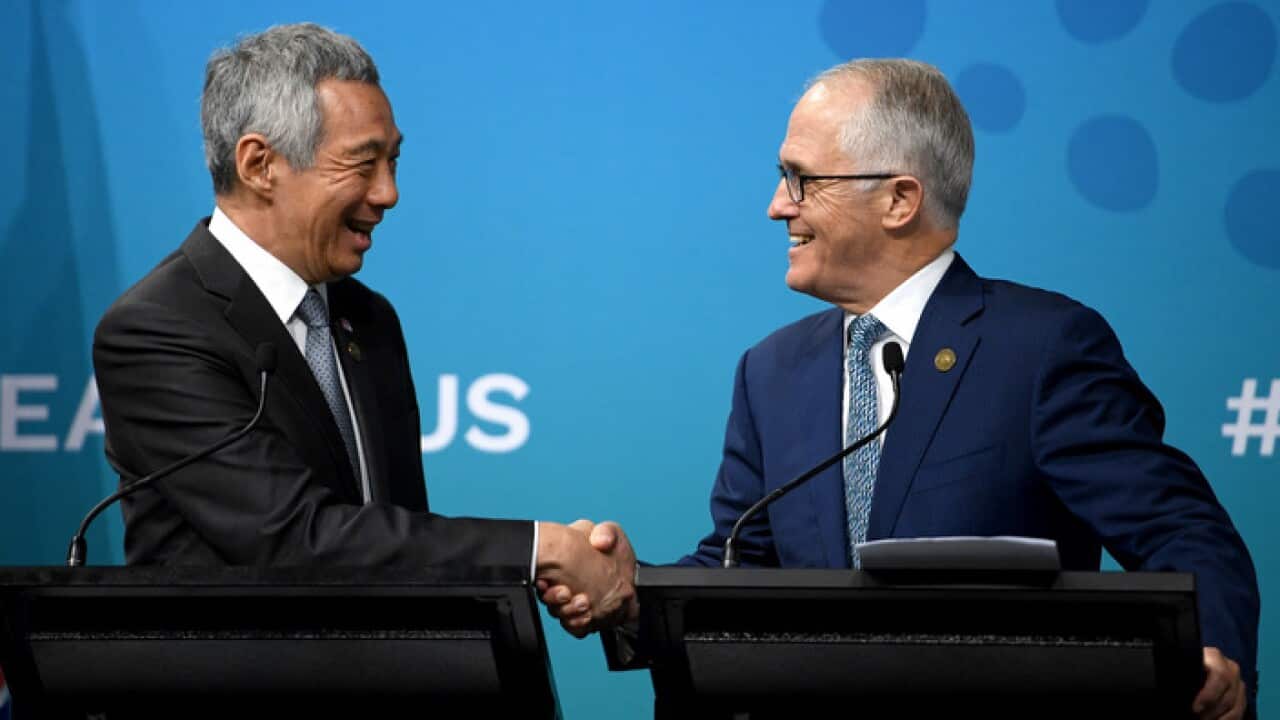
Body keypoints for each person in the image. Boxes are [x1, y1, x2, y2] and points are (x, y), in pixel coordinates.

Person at [547, 59, 1258, 719]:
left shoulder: (1041, 348)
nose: (775, 206)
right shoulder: (771, 371)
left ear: (898, 199)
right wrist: (630, 594)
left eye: (801, 179)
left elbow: (1181, 531)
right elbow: (738, 573)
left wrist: (1216, 658)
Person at [92, 23, 632, 622]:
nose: (389, 193)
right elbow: (294, 539)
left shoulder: (365, 318)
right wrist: (541, 550)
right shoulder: (157, 330)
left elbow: (396, 530)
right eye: (363, 163)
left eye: (393, 160)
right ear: (259, 164)